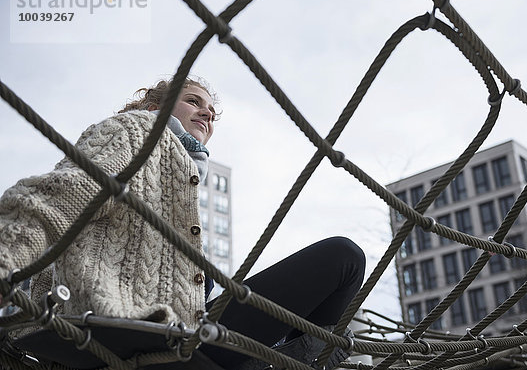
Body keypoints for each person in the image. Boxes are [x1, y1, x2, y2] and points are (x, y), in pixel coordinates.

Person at [0, 76, 365, 369]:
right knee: (343, 259)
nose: (206, 114)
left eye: (211, 111)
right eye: (193, 101)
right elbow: (58, 196)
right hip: (132, 331)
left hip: (182, 332)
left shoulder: (182, 178)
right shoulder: (137, 129)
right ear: (155, 106)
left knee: (215, 281)